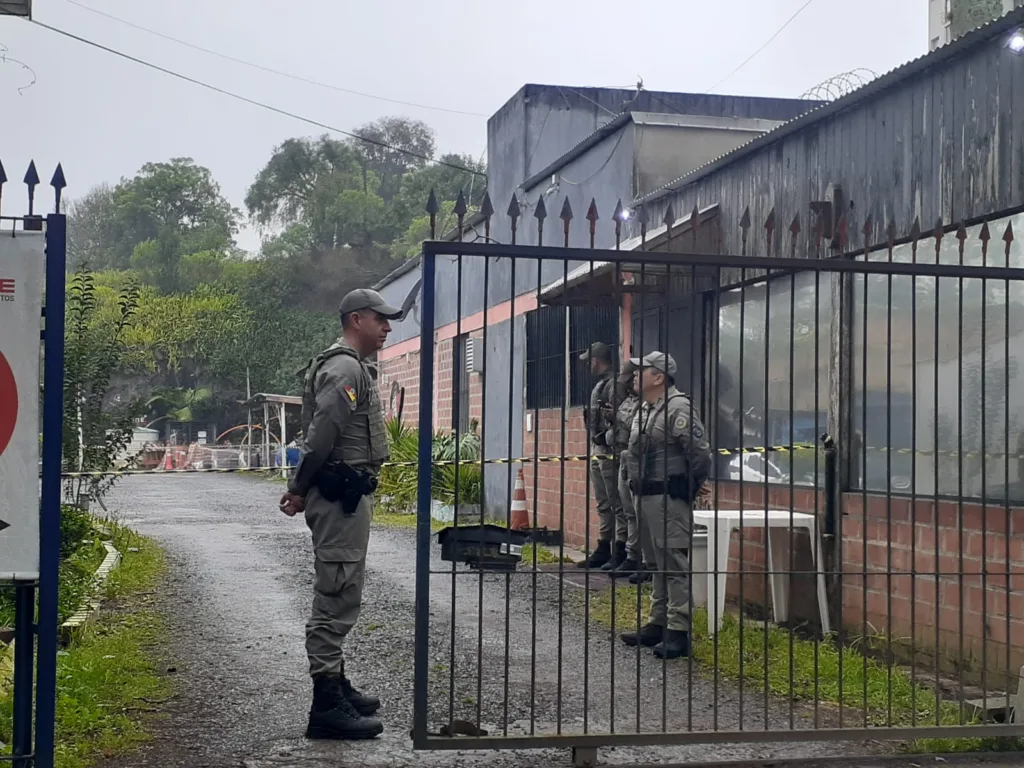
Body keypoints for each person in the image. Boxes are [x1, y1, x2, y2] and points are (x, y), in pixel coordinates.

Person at [278, 287, 404, 741]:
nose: (387, 327)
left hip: (345, 495)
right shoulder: (344, 368)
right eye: (380, 319)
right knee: (336, 591)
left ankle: (336, 683)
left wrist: (301, 489)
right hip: (338, 496)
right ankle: (325, 704)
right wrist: (299, 488)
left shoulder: (352, 366)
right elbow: (322, 435)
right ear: (356, 320)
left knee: (344, 587)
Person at [620, 351, 712, 660]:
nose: (634, 375)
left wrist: (688, 485)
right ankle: (657, 623)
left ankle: (678, 630)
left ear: (659, 377)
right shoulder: (646, 409)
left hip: (667, 498)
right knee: (655, 564)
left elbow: (700, 453)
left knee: (673, 564)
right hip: (644, 497)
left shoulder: (678, 408)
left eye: (641, 370)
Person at [577, 342, 629, 570]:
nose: (588, 364)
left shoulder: (614, 385)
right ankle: (604, 545)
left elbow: (620, 418)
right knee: (603, 503)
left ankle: (621, 548)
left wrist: (609, 440)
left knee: (616, 503)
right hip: (598, 449)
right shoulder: (601, 384)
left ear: (596, 360)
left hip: (610, 450)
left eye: (590, 360)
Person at [601, 358, 646, 580]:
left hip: (636, 459)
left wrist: (616, 416)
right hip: (621, 454)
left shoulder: (646, 404)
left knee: (638, 512)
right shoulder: (629, 400)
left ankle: (642, 559)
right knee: (624, 510)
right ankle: (625, 552)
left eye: (631, 377)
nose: (629, 383)